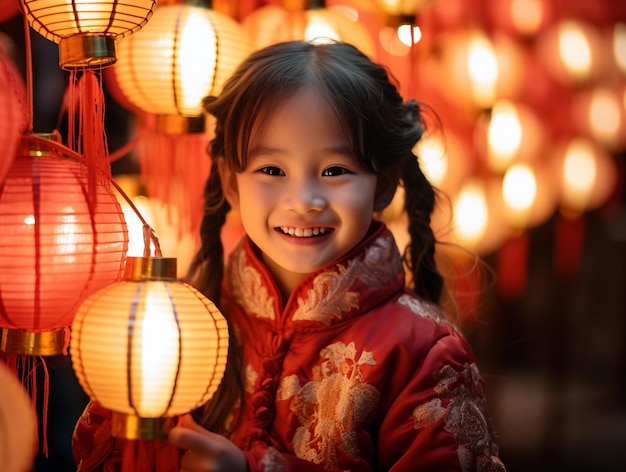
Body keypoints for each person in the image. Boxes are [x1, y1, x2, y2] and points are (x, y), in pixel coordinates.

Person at [72, 40, 505, 472]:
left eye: (335, 170)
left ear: (384, 183)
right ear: (230, 181)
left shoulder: (423, 350)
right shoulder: (179, 324)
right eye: (272, 170)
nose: (303, 200)